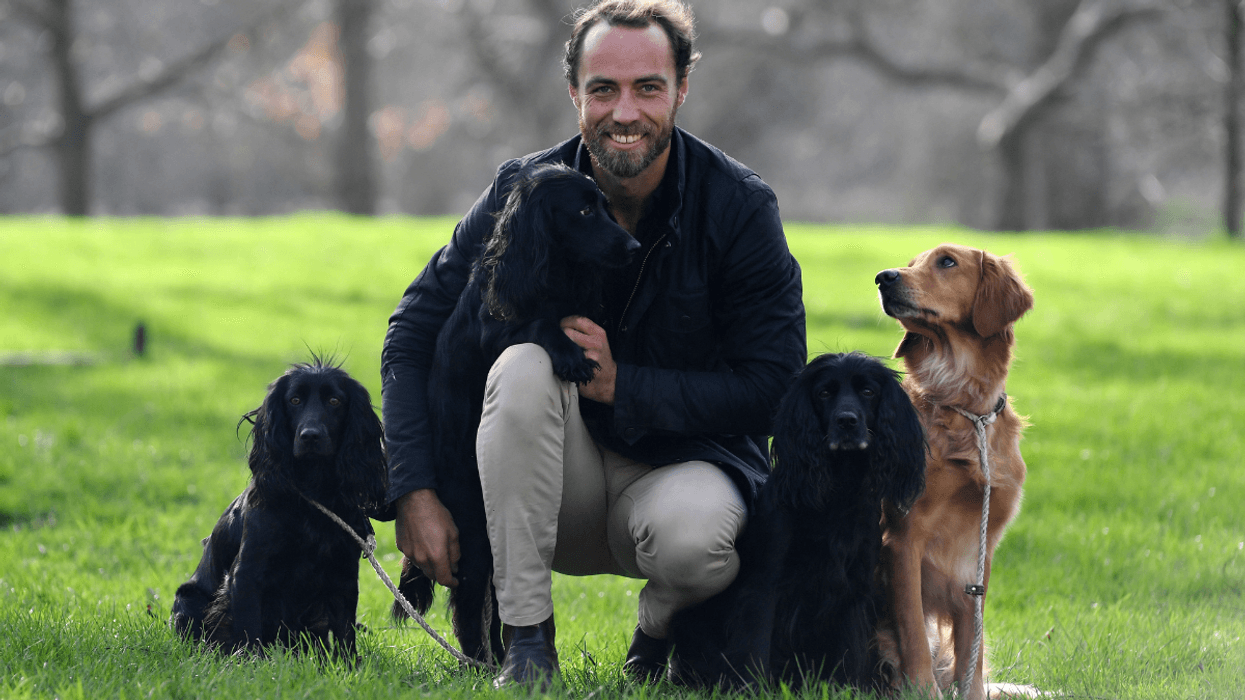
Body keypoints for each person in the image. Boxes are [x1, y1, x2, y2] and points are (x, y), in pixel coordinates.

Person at [380, 0, 806, 689]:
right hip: (549, 484)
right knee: (522, 365)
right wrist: (414, 491)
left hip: (681, 472)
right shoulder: (521, 192)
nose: (625, 112)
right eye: (603, 88)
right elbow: (411, 333)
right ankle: (526, 644)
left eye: (647, 87)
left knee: (696, 541)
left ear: (681, 90)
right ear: (574, 93)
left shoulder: (739, 207)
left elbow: (777, 390)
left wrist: (623, 384)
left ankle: (656, 632)